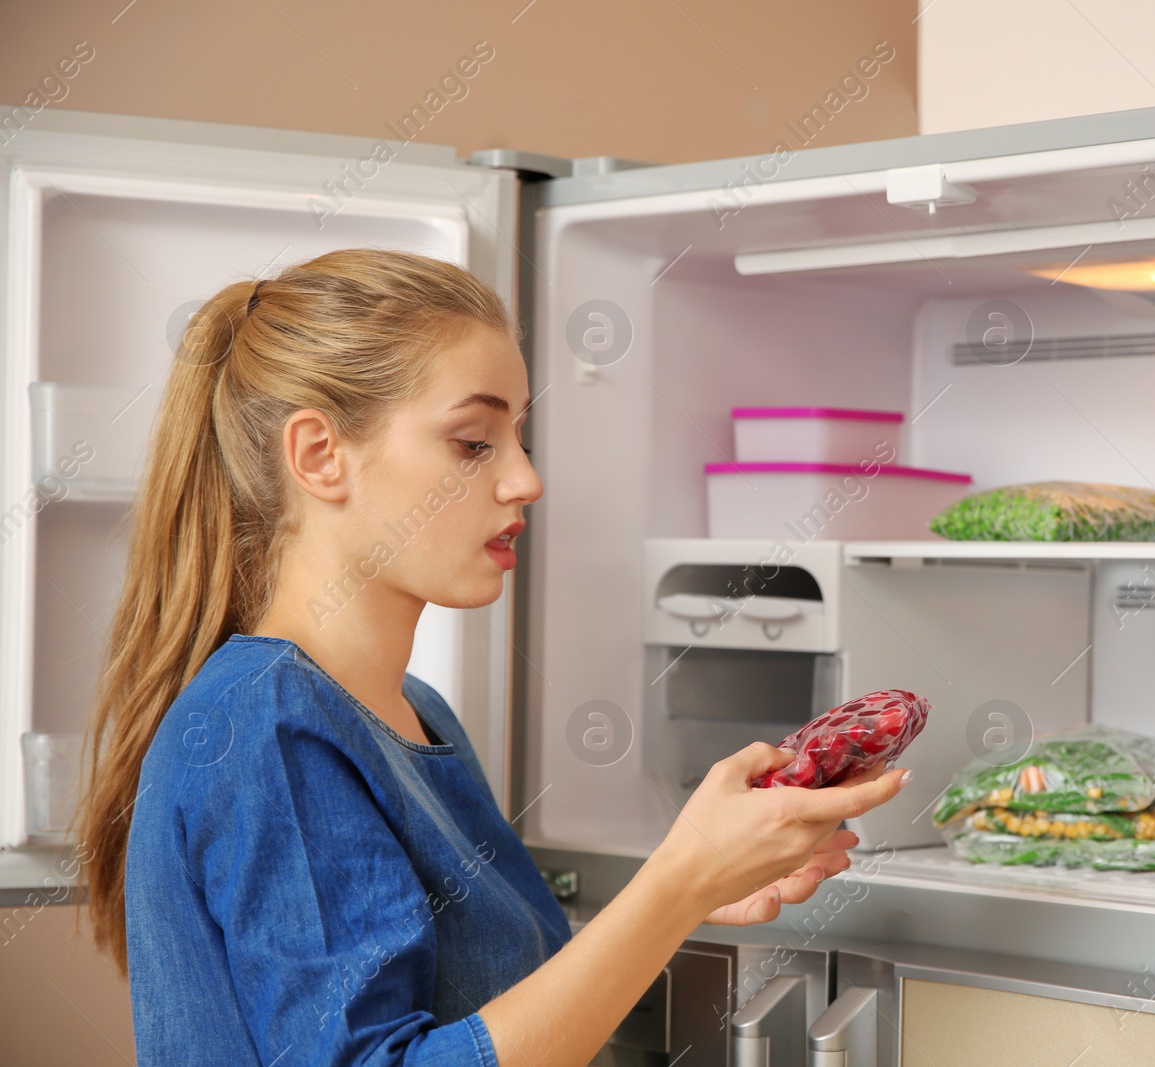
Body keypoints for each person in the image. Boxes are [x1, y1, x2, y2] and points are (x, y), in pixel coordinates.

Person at [75, 249, 913, 1066]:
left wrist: (694, 888)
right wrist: (677, 883)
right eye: (474, 442)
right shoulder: (267, 725)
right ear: (319, 456)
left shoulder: (416, 711)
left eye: (517, 436)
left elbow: (478, 999)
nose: (525, 479)